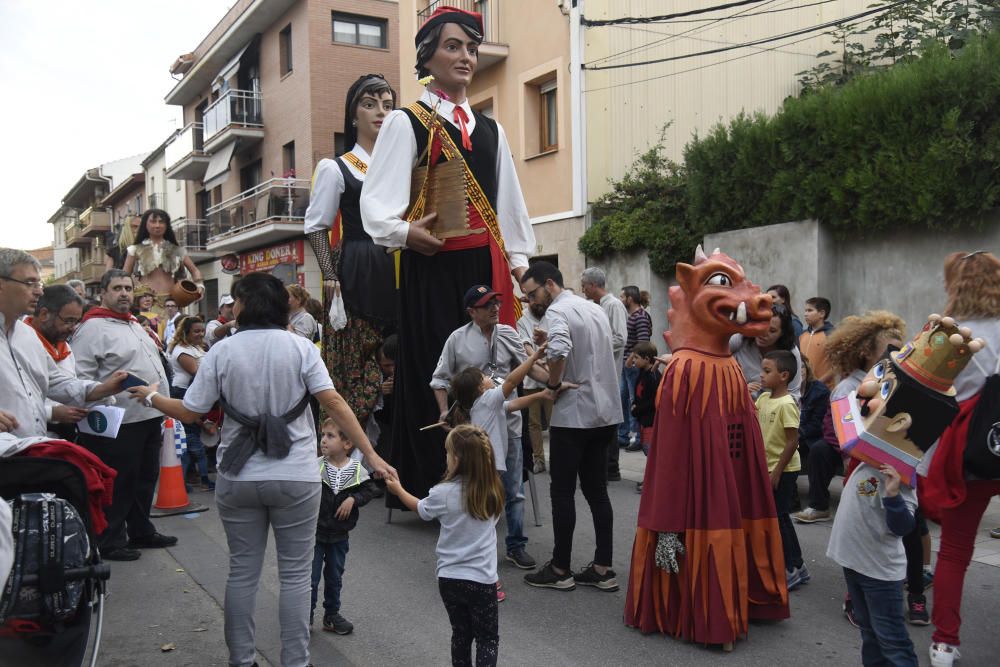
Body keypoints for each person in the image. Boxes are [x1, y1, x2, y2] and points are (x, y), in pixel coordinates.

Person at [126, 271, 395, 667]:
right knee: (295, 577)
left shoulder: (221, 352)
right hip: (297, 478)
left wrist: (150, 396)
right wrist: (372, 457)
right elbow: (334, 402)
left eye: (235, 300)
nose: (231, 307)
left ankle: (242, 660)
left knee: (242, 574)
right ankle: (295, 661)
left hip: (238, 478)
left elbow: (189, 410)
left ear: (245, 306)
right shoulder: (302, 348)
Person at [361, 6, 535, 507]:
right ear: (427, 55)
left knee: (488, 376)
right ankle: (432, 486)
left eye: (471, 48)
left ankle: (488, 480)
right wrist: (403, 233)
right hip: (431, 267)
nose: (465, 56)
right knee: (438, 372)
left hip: (483, 268)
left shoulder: (491, 129)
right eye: (453, 46)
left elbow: (509, 205)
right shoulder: (404, 122)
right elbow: (377, 202)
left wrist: (519, 264)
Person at [519, 262, 620, 592]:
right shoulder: (592, 308)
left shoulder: (557, 312)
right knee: (597, 492)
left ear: (549, 284)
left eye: (532, 293)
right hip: (604, 412)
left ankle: (561, 568)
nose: (531, 301)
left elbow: (562, 349)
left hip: (575, 415)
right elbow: (582, 347)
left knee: (562, 492)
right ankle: (603, 567)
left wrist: (554, 383)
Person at [432, 284, 547, 571]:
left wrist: (554, 381)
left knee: (514, 488)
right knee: (476, 487)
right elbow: (439, 379)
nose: (495, 308)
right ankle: (474, 548)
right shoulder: (457, 340)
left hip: (509, 422)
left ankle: (516, 545)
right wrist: (445, 410)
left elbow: (530, 369)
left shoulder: (508, 333)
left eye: (496, 302)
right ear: (472, 311)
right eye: (487, 305)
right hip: (475, 430)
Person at [305, 73, 398, 428]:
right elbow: (316, 225)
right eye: (370, 104)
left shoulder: (403, 165)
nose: (380, 112)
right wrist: (329, 274)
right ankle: (345, 459)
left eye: (388, 105)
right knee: (355, 362)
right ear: (353, 114)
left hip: (400, 264)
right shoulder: (337, 167)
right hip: (360, 266)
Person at [922, 251, 1000, 667]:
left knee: (954, 550)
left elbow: (927, 396)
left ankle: (944, 643)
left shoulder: (946, 332)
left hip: (966, 451)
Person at [71, 269, 176, 561]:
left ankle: (141, 530)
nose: (124, 294)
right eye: (117, 288)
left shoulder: (131, 323)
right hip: (117, 421)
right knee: (119, 481)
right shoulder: (93, 328)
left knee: (144, 477)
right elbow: (81, 376)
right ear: (103, 292)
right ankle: (110, 538)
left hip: (148, 414)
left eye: (128, 288)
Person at [385, 425, 504, 667]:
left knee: (461, 634)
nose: (446, 457)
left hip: (450, 578)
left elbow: (421, 509)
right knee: (487, 639)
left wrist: (398, 490)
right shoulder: (494, 492)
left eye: (448, 453)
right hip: (483, 579)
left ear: (457, 460)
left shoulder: (443, 493)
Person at [794, 311, 906, 525]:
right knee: (822, 452)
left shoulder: (893, 384)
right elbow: (839, 431)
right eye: (889, 351)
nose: (894, 357)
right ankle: (820, 506)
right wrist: (847, 456)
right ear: (865, 353)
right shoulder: (848, 388)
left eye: (899, 352)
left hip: (885, 452)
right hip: (856, 454)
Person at [0, 248, 125, 439]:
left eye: (38, 282)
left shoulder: (26, 336)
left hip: (31, 452)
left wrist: (102, 388)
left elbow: (55, 382)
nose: (39, 291)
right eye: (29, 283)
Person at [827, 462, 919, 666]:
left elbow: (904, 526)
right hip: (854, 563)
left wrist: (893, 495)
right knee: (869, 635)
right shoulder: (867, 461)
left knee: (892, 643)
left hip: (879, 574)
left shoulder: (900, 472)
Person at [311, 418, 379, 635]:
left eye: (330, 436)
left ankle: (331, 615)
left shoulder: (356, 470)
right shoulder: (316, 466)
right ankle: (305, 616)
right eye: (322, 435)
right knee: (309, 579)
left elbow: (370, 490)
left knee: (334, 577)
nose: (323, 440)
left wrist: (353, 499)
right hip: (314, 533)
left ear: (347, 443)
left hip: (340, 535)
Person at [756, 350, 808, 591]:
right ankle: (797, 564)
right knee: (779, 517)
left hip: (783, 470)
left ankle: (791, 568)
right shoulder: (763, 399)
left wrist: (776, 472)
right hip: (767, 467)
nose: (762, 375)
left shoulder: (787, 404)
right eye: (762, 370)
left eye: (768, 371)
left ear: (784, 375)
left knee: (779, 518)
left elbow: (792, 441)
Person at [581, 267, 627, 481]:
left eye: (584, 285)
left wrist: (594, 348)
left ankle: (611, 468)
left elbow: (620, 338)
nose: (582, 290)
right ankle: (602, 466)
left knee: (610, 421)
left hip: (611, 373)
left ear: (593, 285)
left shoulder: (614, 305)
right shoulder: (594, 306)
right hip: (597, 374)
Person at [25, 285, 89, 439]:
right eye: (68, 321)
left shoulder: (64, 345)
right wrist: (51, 413)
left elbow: (67, 384)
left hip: (66, 432)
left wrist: (100, 393)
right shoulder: (21, 343)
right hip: (31, 436)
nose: (73, 328)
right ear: (44, 314)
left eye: (76, 322)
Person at [168, 315, 212, 491]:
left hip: (193, 392)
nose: (201, 334)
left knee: (192, 440)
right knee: (189, 441)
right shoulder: (182, 351)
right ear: (185, 332)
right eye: (196, 331)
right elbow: (199, 374)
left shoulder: (195, 347)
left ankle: (191, 477)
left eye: (202, 330)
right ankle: (189, 480)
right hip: (184, 393)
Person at [122, 208, 204, 301]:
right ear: (145, 224)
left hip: (172, 302)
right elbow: (124, 275)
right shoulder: (135, 249)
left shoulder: (176, 250)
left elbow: (195, 271)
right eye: (153, 221)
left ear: (166, 225)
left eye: (161, 222)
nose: (157, 225)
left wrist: (199, 285)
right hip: (145, 302)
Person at [731, 304, 803, 403]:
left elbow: (793, 393)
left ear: (782, 333)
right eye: (762, 327)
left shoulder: (791, 353)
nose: (764, 333)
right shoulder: (741, 339)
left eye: (772, 331)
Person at [516, 296, 551, 473]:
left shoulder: (551, 316)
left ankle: (559, 458)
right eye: (536, 302)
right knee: (534, 423)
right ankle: (539, 459)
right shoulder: (522, 321)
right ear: (529, 302)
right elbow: (526, 346)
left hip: (551, 377)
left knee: (555, 421)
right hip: (531, 379)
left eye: (542, 303)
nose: (539, 306)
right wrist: (538, 361)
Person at [620, 285, 652, 451]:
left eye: (622, 297)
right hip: (627, 365)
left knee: (635, 401)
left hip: (633, 366)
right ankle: (623, 435)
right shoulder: (632, 315)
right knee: (623, 399)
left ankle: (638, 437)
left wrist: (632, 359)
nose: (621, 300)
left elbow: (643, 342)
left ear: (630, 299)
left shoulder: (640, 317)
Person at [628, 341, 661, 494]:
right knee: (648, 450)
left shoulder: (653, 376)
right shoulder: (642, 373)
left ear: (647, 359)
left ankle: (654, 481)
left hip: (651, 420)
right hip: (644, 419)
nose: (633, 361)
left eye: (636, 357)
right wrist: (635, 404)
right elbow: (638, 393)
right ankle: (651, 479)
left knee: (651, 451)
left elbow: (653, 400)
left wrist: (637, 409)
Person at [799, 296, 835, 388]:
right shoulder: (802, 335)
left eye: (810, 310)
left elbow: (837, 366)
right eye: (805, 311)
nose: (805, 314)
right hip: (804, 389)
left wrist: (818, 383)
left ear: (822, 314)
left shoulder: (831, 335)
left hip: (824, 389)